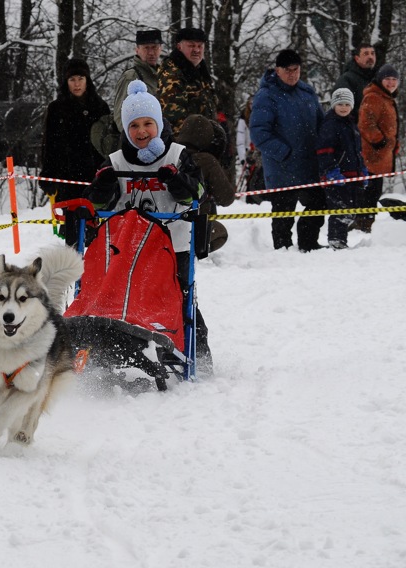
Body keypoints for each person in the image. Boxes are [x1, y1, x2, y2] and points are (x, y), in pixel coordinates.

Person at [87, 80, 211, 369]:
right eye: (134, 126)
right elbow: (95, 204)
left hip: (173, 243)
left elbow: (199, 194)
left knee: (179, 300)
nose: (142, 132)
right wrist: (103, 188)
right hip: (126, 247)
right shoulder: (115, 161)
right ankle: (107, 354)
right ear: (126, 130)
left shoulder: (178, 155)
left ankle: (199, 357)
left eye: (147, 124)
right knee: (115, 299)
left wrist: (178, 182)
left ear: (158, 123)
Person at [249, 49, 326, 252]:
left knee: (318, 203)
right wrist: (284, 153)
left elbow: (322, 124)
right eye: (288, 70)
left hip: (310, 164)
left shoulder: (307, 92)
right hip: (283, 166)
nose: (293, 74)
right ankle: (282, 249)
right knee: (284, 212)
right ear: (278, 70)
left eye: (296, 69)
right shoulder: (266, 96)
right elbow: (259, 133)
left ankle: (308, 243)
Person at [39, 58, 111, 245]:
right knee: (72, 234)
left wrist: (109, 171)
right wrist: (48, 175)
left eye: (80, 78)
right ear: (66, 82)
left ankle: (95, 271)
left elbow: (109, 143)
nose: (77, 84)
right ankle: (72, 271)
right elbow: (49, 145)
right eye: (72, 79)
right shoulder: (56, 108)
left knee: (96, 233)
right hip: (67, 176)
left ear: (87, 80)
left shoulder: (100, 106)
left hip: (95, 177)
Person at [174, 113, 235, 256]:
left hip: (167, 222)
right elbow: (226, 198)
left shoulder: (170, 153)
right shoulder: (206, 161)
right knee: (221, 233)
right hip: (195, 224)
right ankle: (194, 253)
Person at [316, 88, 368, 250]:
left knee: (350, 209)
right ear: (334, 105)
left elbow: (357, 151)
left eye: (347, 104)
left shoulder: (352, 124)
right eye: (340, 104)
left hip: (352, 175)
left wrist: (362, 171)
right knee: (340, 209)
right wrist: (331, 171)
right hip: (337, 177)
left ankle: (341, 239)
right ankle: (336, 240)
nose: (343, 107)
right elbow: (324, 150)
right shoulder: (330, 124)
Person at [358, 63, 400, 233]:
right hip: (372, 154)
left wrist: (393, 146)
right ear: (380, 80)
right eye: (387, 79)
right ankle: (363, 222)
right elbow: (366, 123)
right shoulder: (374, 97)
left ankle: (368, 221)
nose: (391, 83)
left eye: (394, 80)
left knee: (374, 190)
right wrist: (379, 142)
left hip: (382, 154)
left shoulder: (386, 98)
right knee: (369, 191)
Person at [157, 27, 218, 133]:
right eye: (191, 45)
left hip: (204, 141)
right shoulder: (172, 74)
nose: (197, 50)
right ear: (179, 46)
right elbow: (174, 120)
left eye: (200, 46)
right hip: (186, 144)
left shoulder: (201, 73)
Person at [112, 29, 164, 132]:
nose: (151, 53)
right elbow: (120, 118)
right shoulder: (131, 77)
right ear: (137, 50)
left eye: (154, 47)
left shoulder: (163, 75)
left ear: (160, 49)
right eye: (146, 48)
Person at [333, 43, 376, 118]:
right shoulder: (346, 79)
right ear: (357, 58)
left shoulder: (376, 79)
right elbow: (342, 111)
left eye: (372, 53)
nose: (370, 57)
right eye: (366, 54)